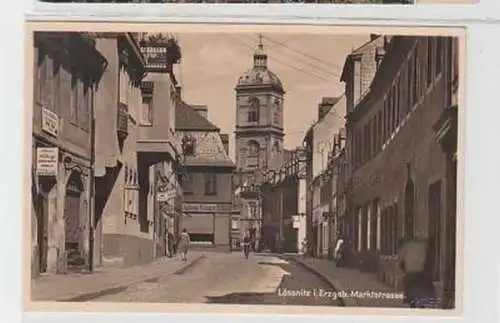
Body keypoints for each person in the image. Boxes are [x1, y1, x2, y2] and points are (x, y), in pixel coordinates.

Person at [398, 237, 437, 308]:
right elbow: (429, 261)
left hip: (410, 274)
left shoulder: (406, 246)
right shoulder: (424, 245)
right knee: (423, 295)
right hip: (421, 274)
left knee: (412, 297)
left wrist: (403, 270)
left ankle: (413, 307)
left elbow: (400, 262)